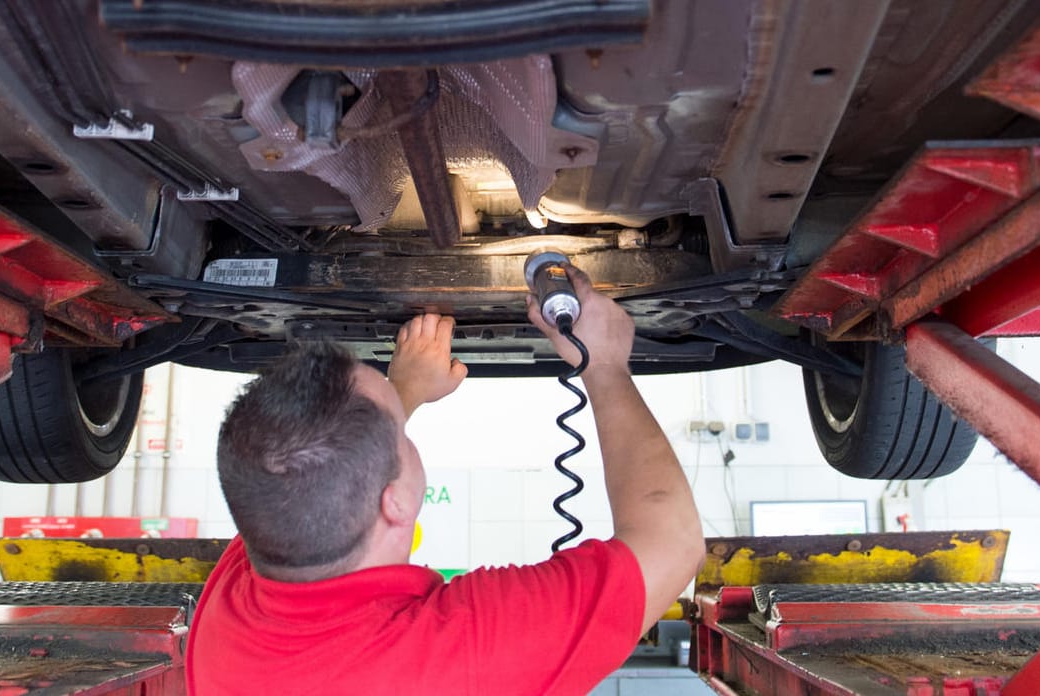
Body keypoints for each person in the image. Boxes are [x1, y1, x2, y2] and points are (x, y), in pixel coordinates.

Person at [185, 265, 705, 695]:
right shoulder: (455, 660)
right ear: (395, 503)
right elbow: (672, 543)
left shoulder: (233, 622)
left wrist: (403, 392)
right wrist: (606, 364)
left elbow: (313, 471)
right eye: (402, 438)